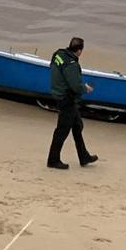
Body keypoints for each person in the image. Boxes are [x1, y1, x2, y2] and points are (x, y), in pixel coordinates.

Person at [47, 36, 99, 169]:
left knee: (77, 126)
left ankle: (84, 156)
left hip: (59, 93)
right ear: (80, 51)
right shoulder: (71, 64)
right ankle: (53, 160)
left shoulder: (59, 54)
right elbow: (75, 85)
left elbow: (54, 69)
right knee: (62, 130)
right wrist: (85, 88)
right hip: (66, 98)